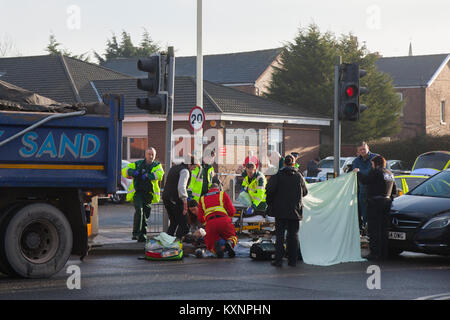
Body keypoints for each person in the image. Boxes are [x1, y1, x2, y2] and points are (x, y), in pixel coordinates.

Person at [266, 155, 308, 267]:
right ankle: (292, 260)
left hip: (280, 211)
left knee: (280, 236)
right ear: (293, 164)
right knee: (293, 235)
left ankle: (278, 260)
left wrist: (271, 203)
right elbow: (305, 192)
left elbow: (269, 191)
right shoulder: (299, 176)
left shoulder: (277, 176)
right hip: (295, 210)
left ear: (284, 164)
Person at [354, 155, 397, 261]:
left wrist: (358, 172)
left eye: (372, 164)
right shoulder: (390, 174)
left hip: (375, 203)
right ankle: (383, 253)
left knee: (374, 229)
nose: (371, 166)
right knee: (383, 229)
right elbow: (394, 191)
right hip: (387, 203)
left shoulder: (376, 172)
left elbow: (365, 180)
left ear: (376, 164)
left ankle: (374, 253)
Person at [122, 148, 164, 242]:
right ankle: (136, 233)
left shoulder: (156, 165)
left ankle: (142, 237)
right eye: (149, 154)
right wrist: (132, 172)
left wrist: (148, 176)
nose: (151, 156)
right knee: (139, 210)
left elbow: (160, 175)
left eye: (152, 154)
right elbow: (125, 170)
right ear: (145, 155)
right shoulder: (138, 164)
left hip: (148, 194)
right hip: (138, 193)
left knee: (145, 215)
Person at [162, 156, 200, 239]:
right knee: (184, 224)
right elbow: (181, 187)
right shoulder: (185, 171)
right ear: (190, 164)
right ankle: (177, 242)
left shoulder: (174, 168)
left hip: (166, 198)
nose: (193, 169)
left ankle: (168, 242)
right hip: (175, 199)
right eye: (194, 166)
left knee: (173, 222)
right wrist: (185, 201)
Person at [197, 183, 238, 258]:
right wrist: (228, 218)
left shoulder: (202, 199)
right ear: (218, 188)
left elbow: (200, 217)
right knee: (233, 236)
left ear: (209, 189)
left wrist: (207, 223)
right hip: (223, 220)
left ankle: (217, 250)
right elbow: (232, 211)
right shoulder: (223, 194)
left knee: (210, 244)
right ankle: (229, 243)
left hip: (210, 223)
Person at [352, 141, 379, 232]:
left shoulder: (376, 158)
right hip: (362, 192)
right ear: (358, 151)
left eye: (364, 149)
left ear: (368, 148)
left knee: (373, 215)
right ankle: (365, 229)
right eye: (360, 150)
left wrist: (359, 172)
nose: (363, 151)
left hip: (374, 191)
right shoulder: (356, 161)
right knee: (363, 213)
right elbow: (354, 174)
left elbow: (371, 174)